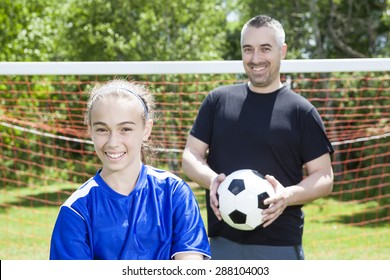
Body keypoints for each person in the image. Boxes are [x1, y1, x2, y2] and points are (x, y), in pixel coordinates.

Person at [182, 15, 334, 260]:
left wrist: (288, 195)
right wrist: (214, 182)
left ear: (282, 51)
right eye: (248, 49)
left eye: (265, 49)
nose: (255, 59)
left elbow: (324, 176)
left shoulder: (302, 112)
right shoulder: (218, 101)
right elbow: (191, 156)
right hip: (222, 242)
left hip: (279, 245)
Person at [50, 79, 211, 260]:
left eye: (125, 129)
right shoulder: (76, 211)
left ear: (146, 130)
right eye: (102, 130)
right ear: (90, 130)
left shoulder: (174, 193)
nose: (113, 142)